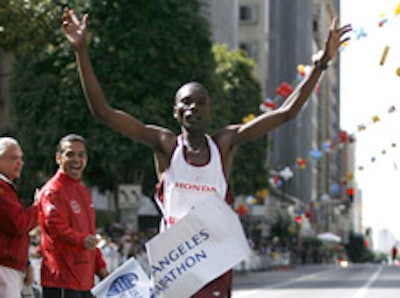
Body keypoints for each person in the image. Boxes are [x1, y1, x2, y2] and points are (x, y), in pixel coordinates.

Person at [62, 7, 352, 297]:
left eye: (200, 103)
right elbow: (103, 112)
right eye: (186, 102)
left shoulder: (224, 143)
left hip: (213, 259)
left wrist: (320, 65)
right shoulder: (165, 145)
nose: (193, 108)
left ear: (210, 110)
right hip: (175, 260)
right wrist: (81, 51)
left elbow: (286, 113)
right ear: (176, 112)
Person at [38, 134, 109, 298]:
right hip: (62, 280)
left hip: (85, 281)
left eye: (81, 155)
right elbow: (56, 228)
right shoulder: (52, 191)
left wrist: (100, 266)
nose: (76, 160)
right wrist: (82, 240)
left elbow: (90, 234)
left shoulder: (83, 191)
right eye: (70, 154)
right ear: (58, 158)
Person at [0, 137, 38, 298]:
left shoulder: (6, 188)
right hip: (4, 266)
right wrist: (38, 206)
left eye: (21, 158)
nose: (20, 163)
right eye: (14, 158)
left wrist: (26, 263)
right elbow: (19, 223)